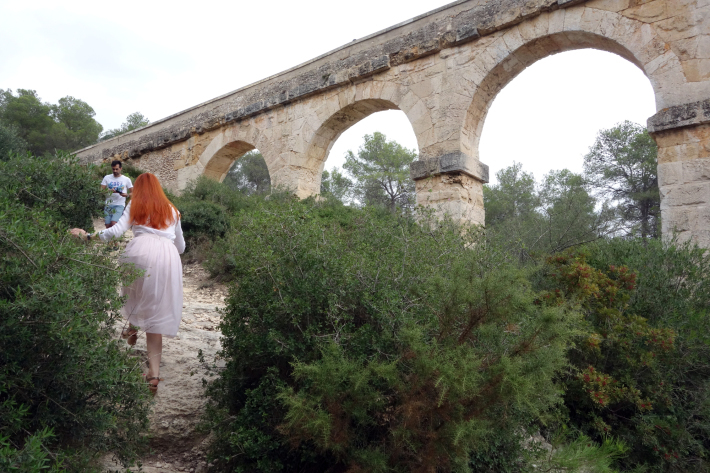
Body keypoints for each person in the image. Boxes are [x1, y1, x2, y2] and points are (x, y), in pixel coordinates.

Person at [71, 172, 185, 395]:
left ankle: (132, 325)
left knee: (133, 288)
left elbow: (115, 232)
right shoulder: (173, 210)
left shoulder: (136, 204)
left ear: (139, 189)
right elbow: (181, 248)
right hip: (168, 257)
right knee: (156, 310)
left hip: (140, 250)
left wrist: (87, 237)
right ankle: (153, 374)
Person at [101, 160, 133, 229]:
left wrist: (126, 195)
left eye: (116, 169)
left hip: (119, 204)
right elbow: (100, 190)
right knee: (108, 225)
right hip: (108, 204)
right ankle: (111, 240)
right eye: (113, 169)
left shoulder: (126, 179)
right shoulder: (107, 177)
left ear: (121, 168)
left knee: (114, 223)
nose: (115, 171)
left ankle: (115, 238)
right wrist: (109, 190)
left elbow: (134, 193)